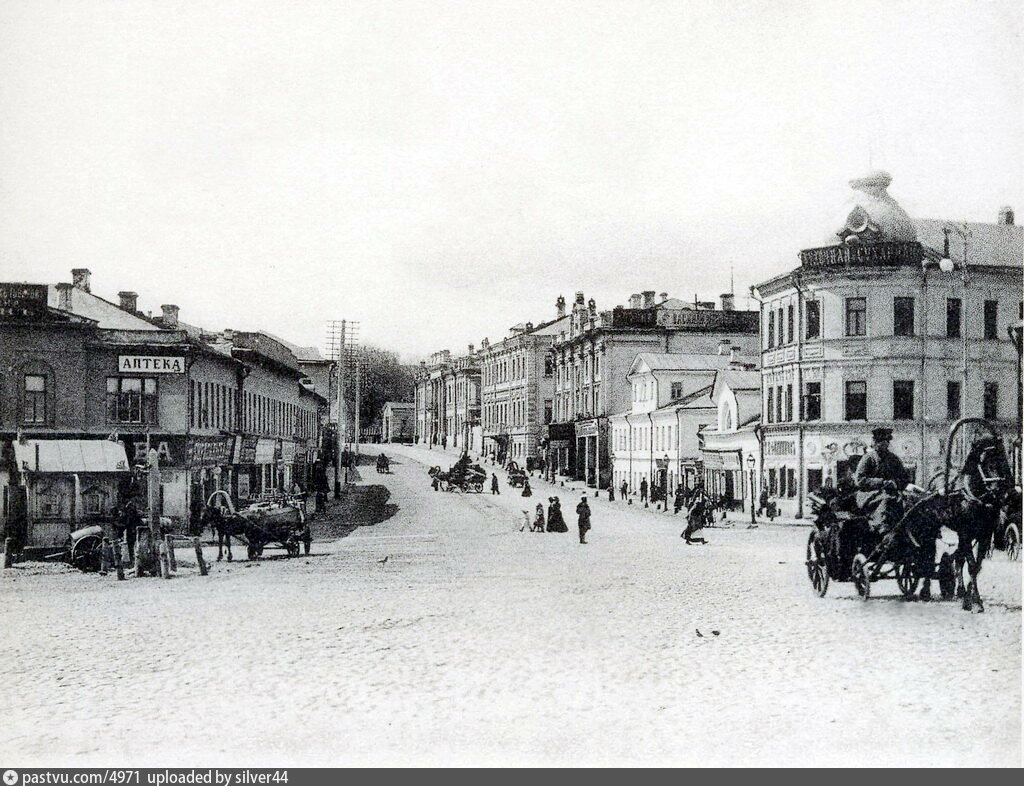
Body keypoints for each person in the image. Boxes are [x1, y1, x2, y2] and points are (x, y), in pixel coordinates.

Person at [855, 427, 910, 563]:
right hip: (869, 495)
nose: (883, 444)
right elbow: (860, 480)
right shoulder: (868, 458)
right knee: (886, 501)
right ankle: (883, 530)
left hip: (891, 493)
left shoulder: (894, 459)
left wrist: (896, 483)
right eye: (880, 441)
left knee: (908, 503)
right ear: (874, 443)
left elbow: (905, 479)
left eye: (886, 441)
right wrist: (882, 482)